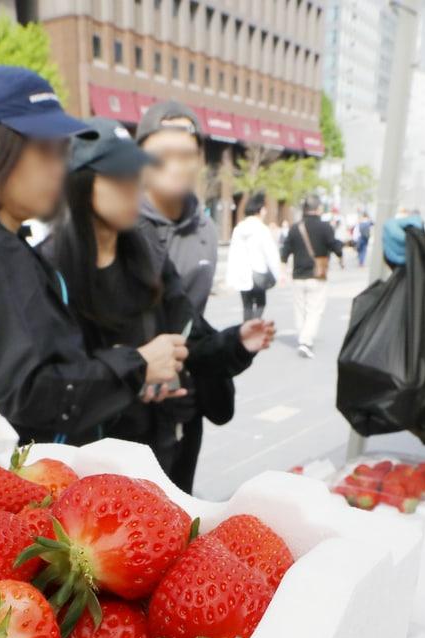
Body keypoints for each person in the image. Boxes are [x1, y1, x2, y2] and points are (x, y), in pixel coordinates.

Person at [0, 66, 187, 445]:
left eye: (62, 151)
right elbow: (32, 396)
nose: (59, 168)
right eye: (43, 150)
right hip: (11, 480)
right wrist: (138, 365)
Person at [44, 118, 274, 488]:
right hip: (91, 463)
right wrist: (138, 370)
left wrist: (235, 342)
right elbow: (50, 382)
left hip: (164, 445)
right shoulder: (49, 266)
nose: (134, 187)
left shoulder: (147, 251)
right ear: (81, 184)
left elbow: (188, 331)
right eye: (119, 176)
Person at [134, 99, 219, 490]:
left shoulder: (206, 231)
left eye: (187, 151)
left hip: (184, 400)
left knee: (179, 509)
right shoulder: (114, 224)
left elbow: (194, 316)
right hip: (127, 403)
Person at [281, 195, 342, 358]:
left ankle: (302, 336)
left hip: (298, 275)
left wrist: (283, 270)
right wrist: (341, 255)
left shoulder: (294, 228)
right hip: (317, 275)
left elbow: (285, 251)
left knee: (299, 309)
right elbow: (335, 245)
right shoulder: (325, 227)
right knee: (314, 309)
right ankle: (305, 341)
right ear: (318, 208)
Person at [226, 191, 284, 320]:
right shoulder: (261, 229)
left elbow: (233, 253)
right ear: (260, 210)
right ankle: (254, 329)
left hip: (242, 273)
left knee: (246, 306)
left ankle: (246, 331)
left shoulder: (239, 229)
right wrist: (278, 273)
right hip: (258, 272)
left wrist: (230, 277)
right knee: (260, 304)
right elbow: (271, 254)